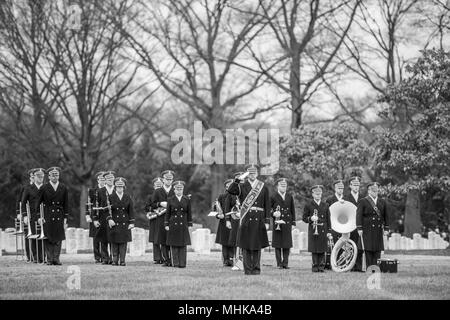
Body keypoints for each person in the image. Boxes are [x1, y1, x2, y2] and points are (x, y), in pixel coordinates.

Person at [227, 164, 270, 275]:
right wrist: (237, 181)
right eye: (250, 172)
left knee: (257, 244)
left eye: (254, 172)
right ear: (246, 174)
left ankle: (256, 269)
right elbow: (230, 191)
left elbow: (267, 205)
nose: (252, 174)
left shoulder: (263, 186)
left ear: (257, 173)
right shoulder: (241, 186)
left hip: (259, 218)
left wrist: (267, 221)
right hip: (246, 218)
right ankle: (247, 269)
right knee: (246, 245)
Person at [38, 167, 69, 265]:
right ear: (49, 176)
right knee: (49, 237)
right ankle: (50, 259)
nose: (55, 177)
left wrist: (65, 218)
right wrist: (39, 216)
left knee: (58, 237)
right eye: (53, 175)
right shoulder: (44, 187)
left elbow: (66, 204)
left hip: (59, 214)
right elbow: (38, 203)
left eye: (57, 175)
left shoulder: (63, 187)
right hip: (48, 214)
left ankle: (56, 258)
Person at [356, 182, 390, 267]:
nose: (375, 192)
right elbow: (359, 216)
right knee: (368, 249)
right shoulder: (363, 201)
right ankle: (369, 267)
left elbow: (386, 216)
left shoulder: (382, 202)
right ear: (369, 191)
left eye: (376, 191)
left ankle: (376, 267)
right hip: (367, 229)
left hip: (378, 229)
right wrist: (359, 228)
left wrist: (386, 228)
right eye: (373, 190)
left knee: (377, 249)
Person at [303, 185, 332, 272]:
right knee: (314, 249)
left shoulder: (326, 205)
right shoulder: (308, 204)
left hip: (323, 228)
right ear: (312, 194)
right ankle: (315, 266)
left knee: (322, 248)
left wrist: (329, 231)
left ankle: (321, 266)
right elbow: (304, 218)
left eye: (319, 194)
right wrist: (310, 218)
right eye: (316, 194)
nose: (318, 195)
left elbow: (328, 219)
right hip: (313, 228)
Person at [106, 177, 135, 266]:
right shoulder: (110, 197)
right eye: (118, 186)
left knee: (123, 243)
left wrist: (131, 222)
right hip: (114, 222)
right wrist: (109, 219)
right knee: (114, 242)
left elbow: (131, 211)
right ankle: (115, 260)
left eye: (121, 187)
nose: (119, 188)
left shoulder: (128, 197)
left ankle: (122, 260)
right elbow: (106, 210)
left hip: (124, 222)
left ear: (124, 187)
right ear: (115, 187)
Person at [164, 180, 192, 268]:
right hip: (173, 224)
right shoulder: (170, 199)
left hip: (183, 224)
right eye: (177, 189)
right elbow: (167, 213)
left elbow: (189, 213)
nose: (179, 191)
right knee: (174, 244)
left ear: (183, 189)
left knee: (183, 245)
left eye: (181, 189)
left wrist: (190, 224)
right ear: (174, 190)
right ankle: (175, 263)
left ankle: (182, 263)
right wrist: (166, 224)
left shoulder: (186, 199)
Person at [270, 178, 296, 269]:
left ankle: (285, 263)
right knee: (277, 244)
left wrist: (293, 223)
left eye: (285, 186)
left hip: (287, 222)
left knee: (287, 244)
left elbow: (292, 210)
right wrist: (273, 213)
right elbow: (268, 209)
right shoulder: (273, 196)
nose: (284, 187)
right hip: (277, 222)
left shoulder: (289, 196)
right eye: (282, 185)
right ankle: (279, 263)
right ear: (278, 186)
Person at [151, 170, 175, 266]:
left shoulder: (175, 190)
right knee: (163, 240)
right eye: (167, 179)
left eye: (171, 179)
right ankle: (166, 260)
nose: (169, 181)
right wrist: (160, 203)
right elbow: (152, 204)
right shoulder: (158, 191)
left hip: (173, 218)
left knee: (172, 239)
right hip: (161, 218)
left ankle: (173, 259)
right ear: (163, 179)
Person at [95, 170, 116, 265]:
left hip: (115, 218)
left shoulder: (117, 189)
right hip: (103, 218)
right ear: (105, 180)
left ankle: (113, 257)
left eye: (112, 178)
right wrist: (95, 219)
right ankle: (105, 258)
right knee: (104, 239)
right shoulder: (100, 191)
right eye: (108, 178)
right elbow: (96, 206)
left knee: (114, 238)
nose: (110, 180)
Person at [343, 176, 364, 272]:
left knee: (360, 247)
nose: (356, 187)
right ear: (350, 186)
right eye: (354, 185)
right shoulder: (345, 198)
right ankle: (351, 266)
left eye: (358, 185)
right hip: (349, 225)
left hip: (360, 226)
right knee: (350, 246)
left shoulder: (363, 197)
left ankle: (358, 267)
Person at [214, 179, 235, 267]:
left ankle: (232, 258)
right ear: (226, 187)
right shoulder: (222, 196)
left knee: (233, 242)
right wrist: (219, 216)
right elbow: (215, 210)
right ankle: (226, 260)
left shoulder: (237, 196)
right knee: (225, 242)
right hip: (224, 222)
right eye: (228, 185)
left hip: (235, 221)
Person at [86, 171, 106, 263]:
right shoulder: (92, 191)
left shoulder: (108, 190)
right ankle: (97, 257)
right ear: (97, 180)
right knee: (96, 237)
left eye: (103, 179)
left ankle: (105, 256)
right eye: (100, 179)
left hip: (105, 216)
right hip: (95, 216)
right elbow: (88, 203)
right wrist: (87, 215)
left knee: (105, 237)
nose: (102, 180)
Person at [18, 168, 36, 262]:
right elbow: (20, 202)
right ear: (30, 177)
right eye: (32, 177)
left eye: (35, 176)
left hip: (36, 215)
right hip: (27, 215)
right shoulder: (25, 187)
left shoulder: (41, 187)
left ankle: (38, 255)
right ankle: (30, 256)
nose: (33, 178)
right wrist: (19, 213)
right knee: (28, 236)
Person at [145, 177, 164, 264]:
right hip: (154, 219)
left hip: (163, 219)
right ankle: (157, 258)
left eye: (160, 184)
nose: (159, 186)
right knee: (155, 239)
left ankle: (164, 257)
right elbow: (147, 207)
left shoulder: (165, 195)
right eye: (157, 185)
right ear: (154, 186)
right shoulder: (150, 196)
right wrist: (154, 210)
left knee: (163, 238)